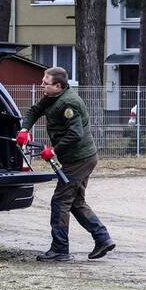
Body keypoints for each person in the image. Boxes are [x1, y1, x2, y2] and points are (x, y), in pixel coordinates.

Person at [18, 66, 115, 262]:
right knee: (76, 202)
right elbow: (35, 111)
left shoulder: (69, 103)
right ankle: (102, 238)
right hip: (76, 159)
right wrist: (24, 129)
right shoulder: (52, 97)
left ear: (58, 85)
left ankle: (60, 249)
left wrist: (53, 151)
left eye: (45, 83)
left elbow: (75, 134)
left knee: (60, 201)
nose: (42, 85)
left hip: (80, 159)